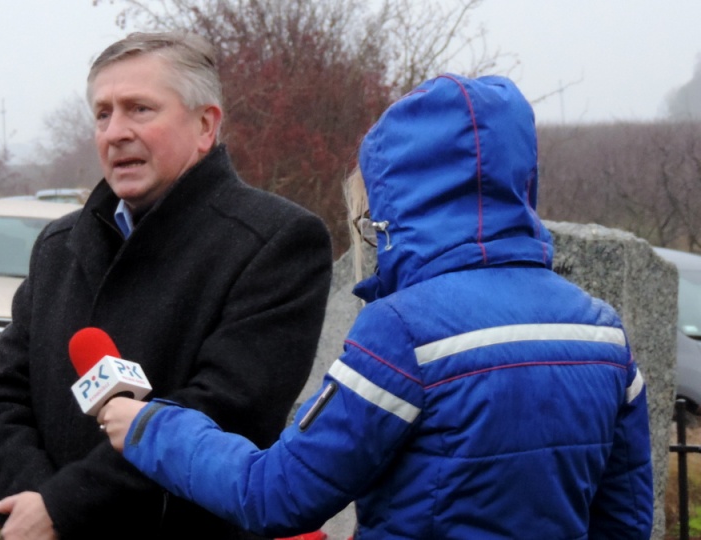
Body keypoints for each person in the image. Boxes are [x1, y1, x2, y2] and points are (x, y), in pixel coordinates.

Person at [98, 74, 655, 539]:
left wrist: (150, 426)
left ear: (395, 203)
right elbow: (625, 522)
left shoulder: (405, 332)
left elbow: (273, 493)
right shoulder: (602, 331)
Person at [0, 31, 334, 540]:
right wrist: (34, 503)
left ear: (205, 125)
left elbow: (226, 410)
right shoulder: (58, 246)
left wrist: (65, 507)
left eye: (139, 109)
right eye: (102, 113)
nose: (115, 132)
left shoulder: (277, 243)